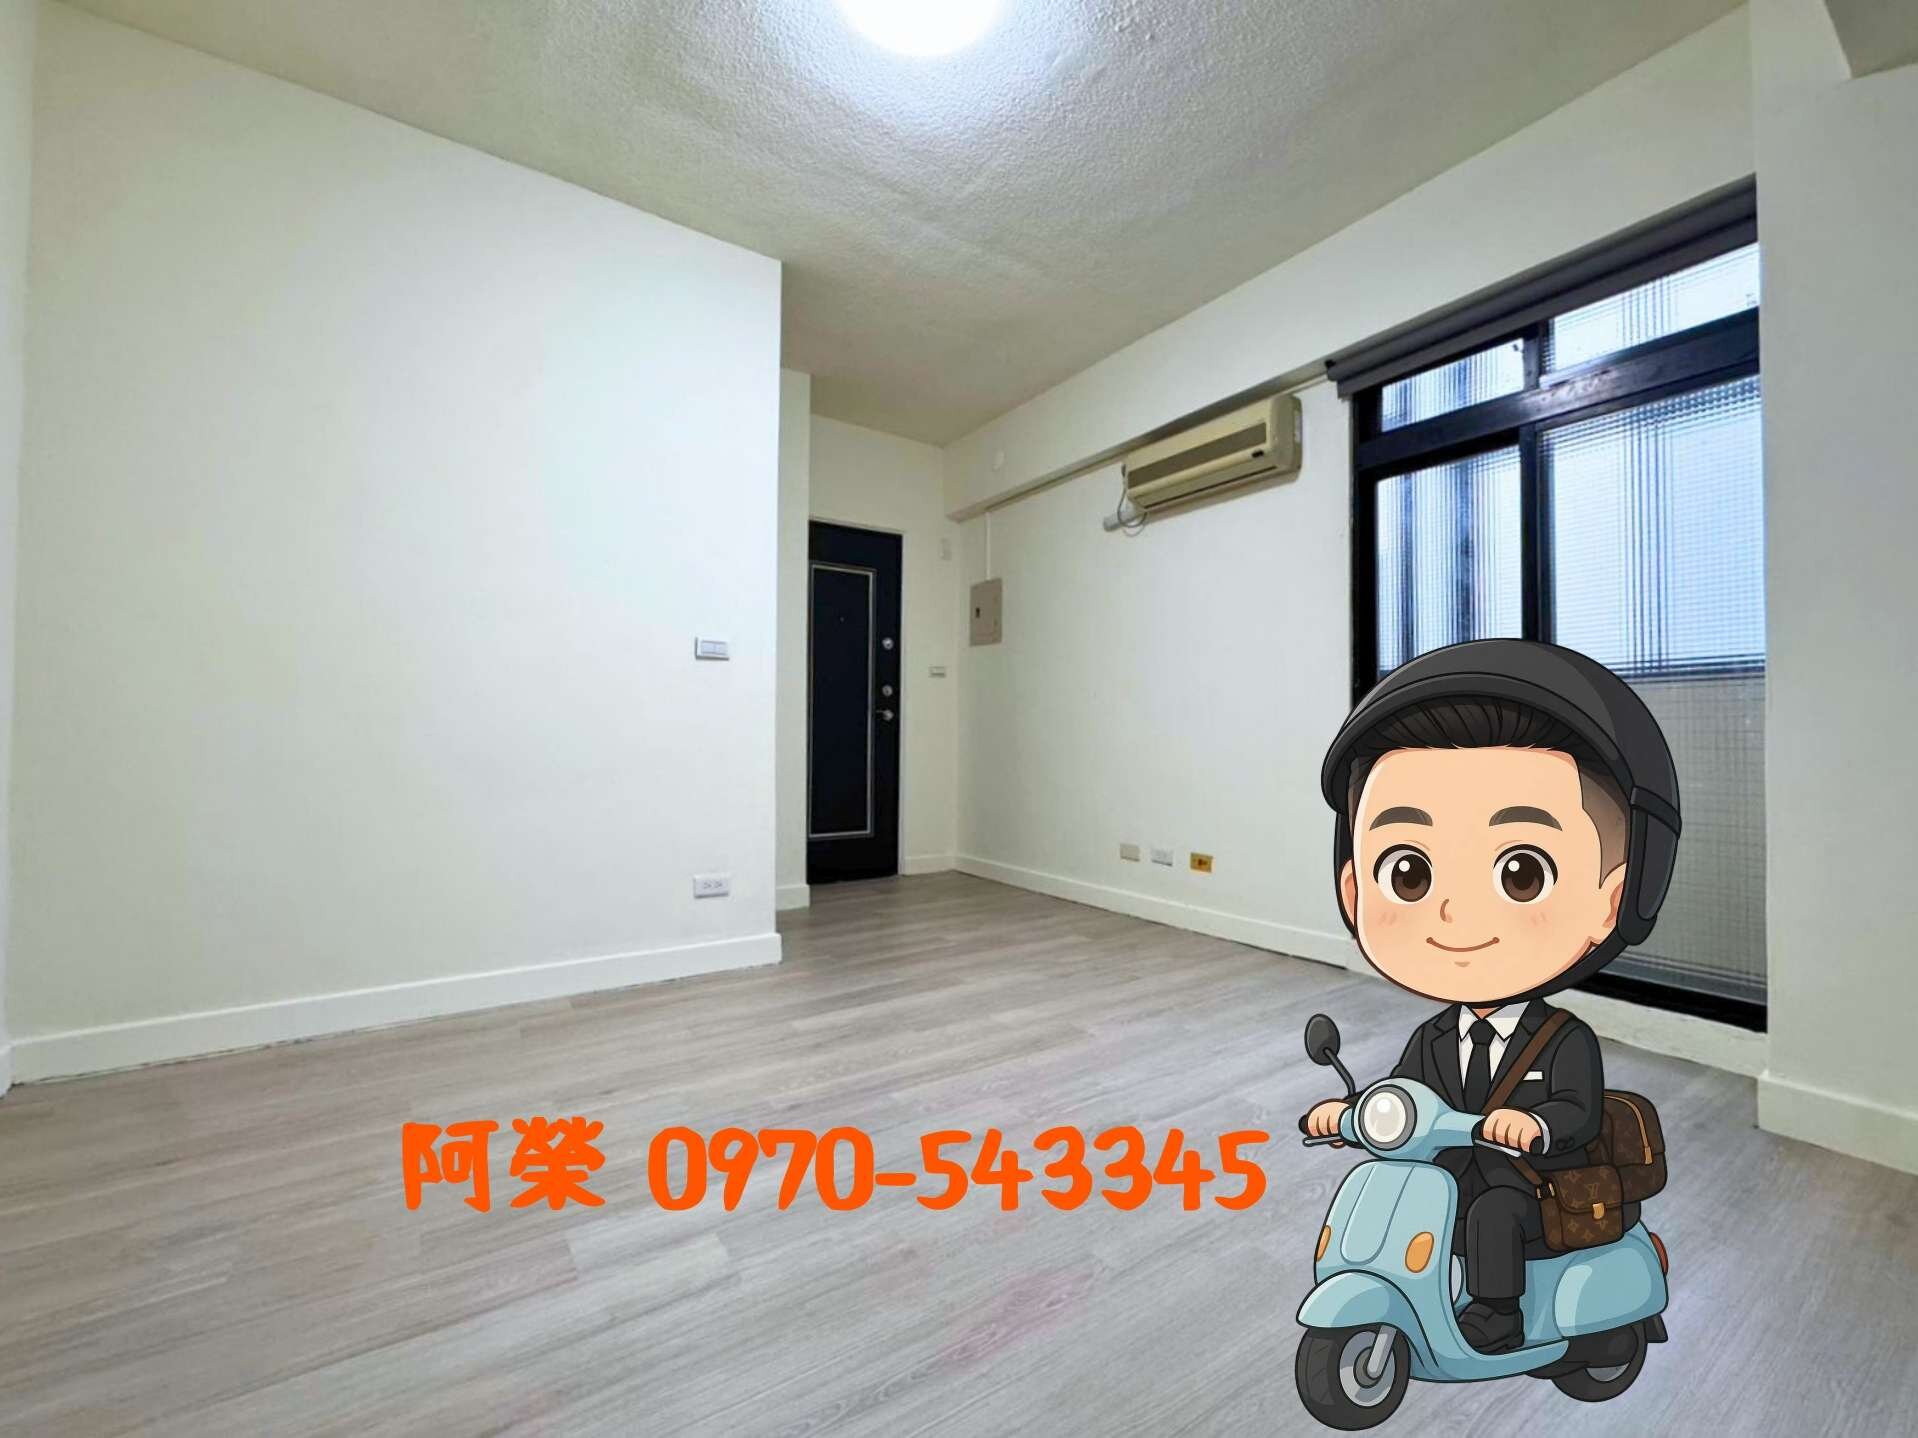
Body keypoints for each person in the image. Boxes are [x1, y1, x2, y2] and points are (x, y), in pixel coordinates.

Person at [1305, 639, 1681, 1354]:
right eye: (1409, 873)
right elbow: (1406, 1096)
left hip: (1532, 1181)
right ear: (1353, 888)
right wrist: (1351, 1113)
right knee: (1424, 1204)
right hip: (1452, 1172)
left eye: (1521, 874)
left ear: (1616, 898)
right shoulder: (1434, 1038)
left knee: (1491, 1214)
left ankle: (1496, 1313)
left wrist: (1532, 1125)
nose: (1455, 915)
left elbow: (1576, 1111)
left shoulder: (1564, 1039)